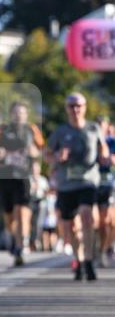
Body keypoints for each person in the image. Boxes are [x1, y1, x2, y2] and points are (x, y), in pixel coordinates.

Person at [46, 93, 108, 281]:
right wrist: (57, 158)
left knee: (87, 215)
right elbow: (47, 155)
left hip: (88, 181)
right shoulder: (60, 131)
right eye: (71, 106)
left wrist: (104, 156)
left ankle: (89, 261)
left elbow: (103, 148)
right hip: (66, 184)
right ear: (67, 109)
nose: (75, 109)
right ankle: (78, 259)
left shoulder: (93, 128)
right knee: (70, 226)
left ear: (85, 107)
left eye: (79, 105)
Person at [0, 101, 43, 266]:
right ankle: (15, 239)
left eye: (22, 113)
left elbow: (41, 150)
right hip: (5, 177)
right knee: (9, 216)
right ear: (11, 114)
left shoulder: (32, 129)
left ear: (26, 115)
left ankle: (21, 245)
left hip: (24, 177)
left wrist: (35, 157)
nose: (19, 115)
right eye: (16, 112)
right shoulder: (1, 129)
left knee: (23, 212)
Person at [95, 115, 115, 265]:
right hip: (92, 185)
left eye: (103, 125)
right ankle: (98, 249)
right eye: (98, 125)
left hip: (110, 185)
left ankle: (106, 247)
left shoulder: (112, 142)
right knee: (98, 222)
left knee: (109, 222)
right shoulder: (90, 141)